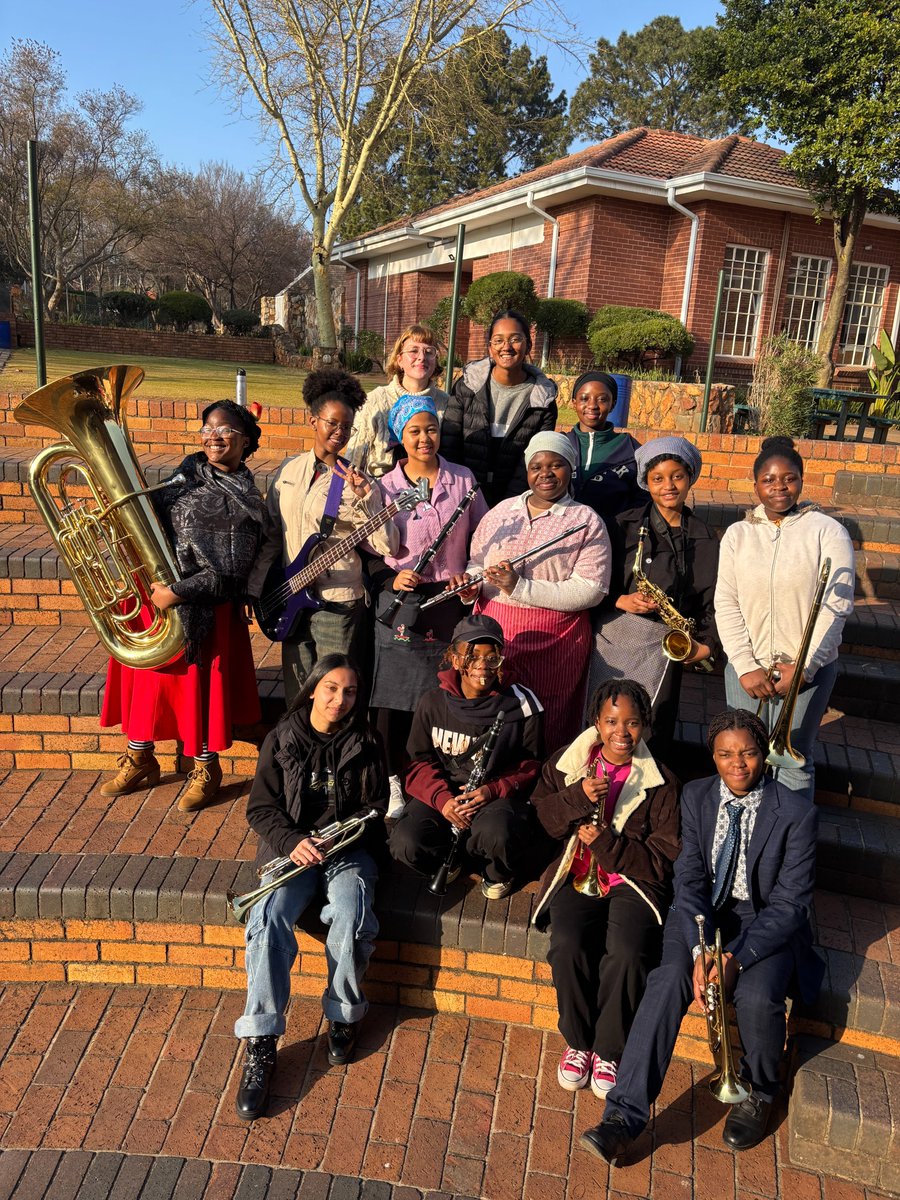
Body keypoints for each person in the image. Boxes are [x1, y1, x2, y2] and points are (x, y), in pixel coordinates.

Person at [580, 708, 823, 1162]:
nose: (737, 764)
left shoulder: (797, 813)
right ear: (713, 756)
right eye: (726, 754)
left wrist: (736, 958)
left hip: (764, 920)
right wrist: (699, 950)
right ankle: (622, 1117)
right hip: (702, 915)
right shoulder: (695, 796)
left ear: (764, 755)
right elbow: (689, 879)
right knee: (666, 980)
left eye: (748, 753)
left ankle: (760, 1090)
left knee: (757, 996)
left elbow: (791, 905)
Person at [234, 654, 388, 1121]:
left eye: (350, 692)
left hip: (346, 850)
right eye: (332, 689)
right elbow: (260, 809)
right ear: (314, 688)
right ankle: (261, 1039)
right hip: (292, 850)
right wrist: (294, 841)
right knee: (267, 919)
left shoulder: (368, 740)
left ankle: (343, 1015)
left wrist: (342, 837)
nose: (340, 700)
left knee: (351, 912)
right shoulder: (282, 737)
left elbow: (377, 806)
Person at [99, 400, 267, 811]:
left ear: (245, 441)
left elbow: (232, 575)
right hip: (155, 595)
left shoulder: (247, 500)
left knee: (199, 693)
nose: (213, 436)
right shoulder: (185, 474)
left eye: (224, 430)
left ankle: (206, 768)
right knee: (147, 685)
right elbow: (148, 518)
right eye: (207, 428)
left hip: (205, 610)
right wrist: (116, 511)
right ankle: (140, 758)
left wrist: (177, 593)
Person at [531, 680, 680, 1100]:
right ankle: (579, 1042)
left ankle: (609, 1051)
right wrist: (577, 797)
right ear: (596, 722)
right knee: (567, 945)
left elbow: (661, 860)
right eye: (612, 721)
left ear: (644, 724)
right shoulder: (568, 762)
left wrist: (607, 846)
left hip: (631, 881)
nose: (621, 732)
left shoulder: (663, 782)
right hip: (577, 874)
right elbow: (542, 821)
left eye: (632, 722)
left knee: (629, 953)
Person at [715, 436, 855, 800]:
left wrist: (804, 668)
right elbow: (726, 602)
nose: (779, 486)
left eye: (789, 478)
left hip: (807, 669)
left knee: (793, 761)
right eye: (769, 480)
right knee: (742, 758)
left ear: (802, 481)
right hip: (748, 669)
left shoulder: (827, 531)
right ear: (756, 485)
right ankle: (747, 830)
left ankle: (791, 836)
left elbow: (836, 605)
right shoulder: (737, 535)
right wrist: (745, 664)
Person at [453, 431, 610, 753]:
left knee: (546, 717)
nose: (545, 474)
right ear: (527, 470)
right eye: (536, 466)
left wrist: (520, 587)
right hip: (496, 637)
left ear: (571, 468)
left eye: (556, 465)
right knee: (494, 712)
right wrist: (470, 586)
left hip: (556, 642)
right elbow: (478, 562)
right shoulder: (502, 512)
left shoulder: (585, 520)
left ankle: (542, 777)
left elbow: (591, 589)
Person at [367, 394, 488, 810]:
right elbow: (368, 550)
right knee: (393, 698)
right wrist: (390, 576)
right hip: (402, 601)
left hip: (450, 600)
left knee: (443, 691)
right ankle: (392, 778)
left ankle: (435, 776)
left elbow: (483, 536)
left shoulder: (463, 480)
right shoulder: (384, 488)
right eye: (414, 431)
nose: (424, 438)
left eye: (431, 429)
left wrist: (470, 574)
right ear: (400, 437)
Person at [251, 369, 399, 707]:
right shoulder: (288, 470)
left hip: (338, 604)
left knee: (334, 696)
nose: (339, 432)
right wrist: (257, 588)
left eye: (347, 427)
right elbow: (272, 535)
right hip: (290, 596)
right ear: (313, 421)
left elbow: (387, 545)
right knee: (298, 694)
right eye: (332, 423)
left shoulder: (356, 481)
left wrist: (367, 498)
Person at [389, 614, 545, 900]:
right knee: (405, 842)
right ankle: (451, 859)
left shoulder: (522, 704)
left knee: (498, 834)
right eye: (472, 655)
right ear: (454, 657)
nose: (482, 665)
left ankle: (496, 871)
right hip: (445, 796)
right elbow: (417, 762)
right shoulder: (433, 702)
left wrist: (492, 790)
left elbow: (530, 764)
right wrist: (442, 800)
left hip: (495, 798)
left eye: (491, 657)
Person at [586, 436, 719, 755]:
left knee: (652, 729)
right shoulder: (622, 525)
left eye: (677, 476)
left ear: (690, 478)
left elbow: (713, 600)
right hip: (613, 640)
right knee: (599, 723)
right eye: (657, 478)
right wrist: (620, 600)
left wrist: (707, 644)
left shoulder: (704, 537)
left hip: (665, 646)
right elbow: (593, 581)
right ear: (645, 482)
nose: (668, 486)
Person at [440, 309, 558, 506]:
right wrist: (461, 497)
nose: (506, 347)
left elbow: (534, 460)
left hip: (514, 501)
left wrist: (508, 506)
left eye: (515, 339)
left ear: (528, 345)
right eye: (498, 340)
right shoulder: (467, 387)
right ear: (490, 347)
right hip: (463, 496)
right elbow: (450, 446)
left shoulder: (543, 400)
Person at [344, 323, 450, 478]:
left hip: (432, 487)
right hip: (379, 487)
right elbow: (354, 458)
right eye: (413, 351)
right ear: (399, 360)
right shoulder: (376, 400)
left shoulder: (446, 403)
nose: (422, 357)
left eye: (429, 352)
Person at [564, 370, 642, 526]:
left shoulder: (630, 449)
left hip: (612, 535)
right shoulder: (560, 444)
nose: (592, 405)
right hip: (561, 535)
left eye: (602, 399)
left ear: (612, 404)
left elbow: (642, 499)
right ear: (574, 403)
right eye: (584, 398)